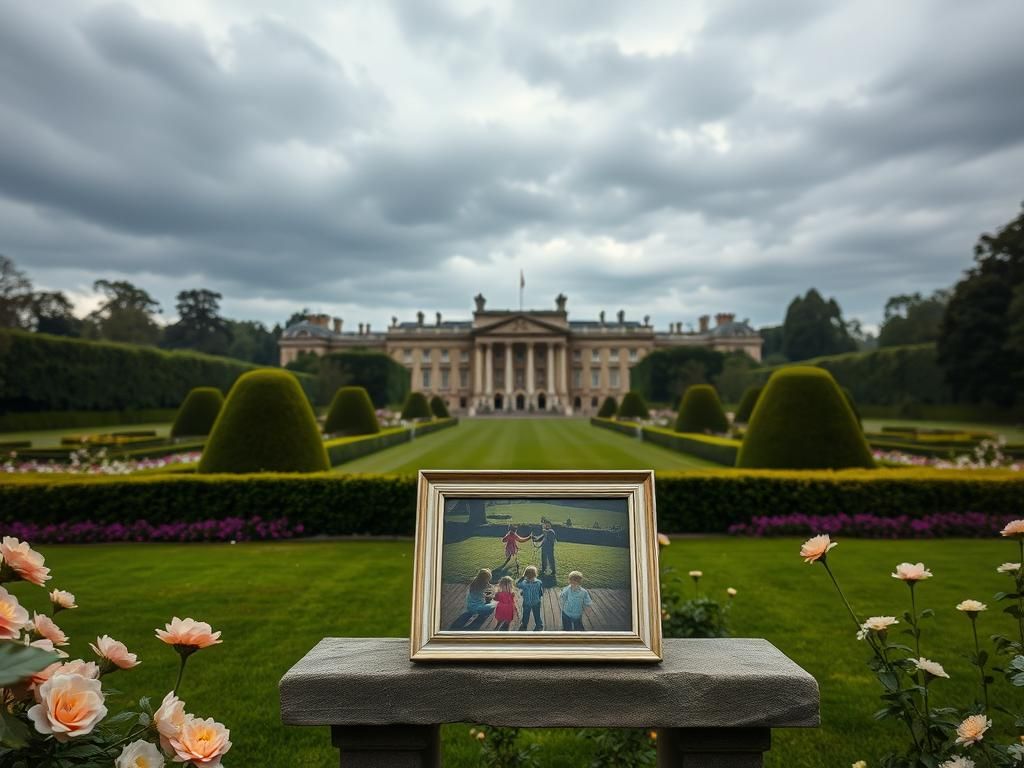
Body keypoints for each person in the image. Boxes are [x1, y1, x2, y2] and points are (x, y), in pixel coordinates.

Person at [516, 565, 544, 631]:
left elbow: (517, 584)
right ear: (535, 574)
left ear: (525, 575)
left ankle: (524, 624)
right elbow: (540, 591)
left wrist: (522, 577)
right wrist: (539, 597)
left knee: (526, 614)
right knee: (537, 614)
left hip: (527, 602)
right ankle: (539, 625)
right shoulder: (539, 582)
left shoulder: (524, 583)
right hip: (536, 602)